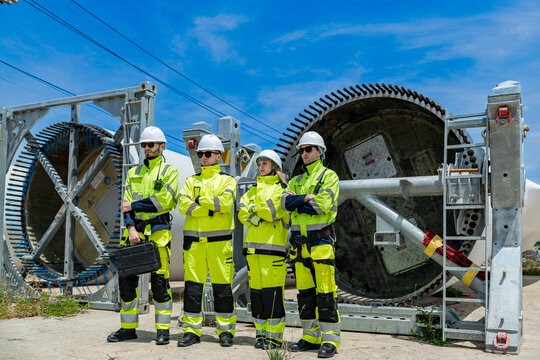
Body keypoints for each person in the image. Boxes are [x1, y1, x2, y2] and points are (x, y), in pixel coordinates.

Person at [107, 126, 179, 345]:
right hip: (134, 231)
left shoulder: (169, 171)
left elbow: (164, 201)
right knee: (127, 283)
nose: (146, 148)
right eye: (144, 145)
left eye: (151, 145)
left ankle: (163, 330)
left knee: (159, 282)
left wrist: (136, 205)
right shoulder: (133, 173)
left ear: (162, 146)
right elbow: (125, 207)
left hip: (158, 233)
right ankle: (128, 329)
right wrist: (130, 229)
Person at [282, 131, 341, 358]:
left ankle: (330, 341)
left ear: (320, 151)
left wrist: (299, 200)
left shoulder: (329, 177)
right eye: (302, 150)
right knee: (305, 295)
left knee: (326, 294)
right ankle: (310, 337)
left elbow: (322, 205)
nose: (304, 154)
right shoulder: (296, 180)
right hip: (300, 247)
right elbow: (284, 203)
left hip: (321, 244)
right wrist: (304, 198)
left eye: (309, 149)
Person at [177, 134, 237, 347]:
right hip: (194, 244)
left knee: (223, 289)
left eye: (207, 153)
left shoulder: (227, 181)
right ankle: (192, 331)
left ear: (218, 156)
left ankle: (226, 331)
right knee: (193, 289)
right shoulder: (191, 181)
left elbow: (225, 203)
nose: (203, 157)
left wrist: (198, 202)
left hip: (220, 245)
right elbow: (183, 206)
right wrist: (211, 210)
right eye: (200, 153)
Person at [238, 150, 290, 350]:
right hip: (253, 252)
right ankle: (261, 335)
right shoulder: (252, 190)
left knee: (273, 296)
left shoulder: (282, 189)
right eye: (259, 164)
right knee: (257, 296)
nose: (261, 167)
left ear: (275, 167)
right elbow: (243, 211)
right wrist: (257, 214)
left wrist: (255, 210)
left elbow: (273, 210)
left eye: (265, 163)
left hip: (273, 253)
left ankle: (274, 337)